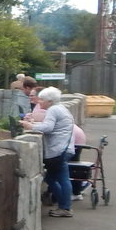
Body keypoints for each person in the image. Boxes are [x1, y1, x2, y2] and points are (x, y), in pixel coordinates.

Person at [21, 86, 76, 217]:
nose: (39, 102)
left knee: (60, 178)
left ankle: (65, 207)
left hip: (58, 150)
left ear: (50, 101)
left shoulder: (53, 110)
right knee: (54, 178)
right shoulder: (61, 109)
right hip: (64, 148)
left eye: (42, 100)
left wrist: (30, 126)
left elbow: (48, 127)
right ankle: (63, 205)